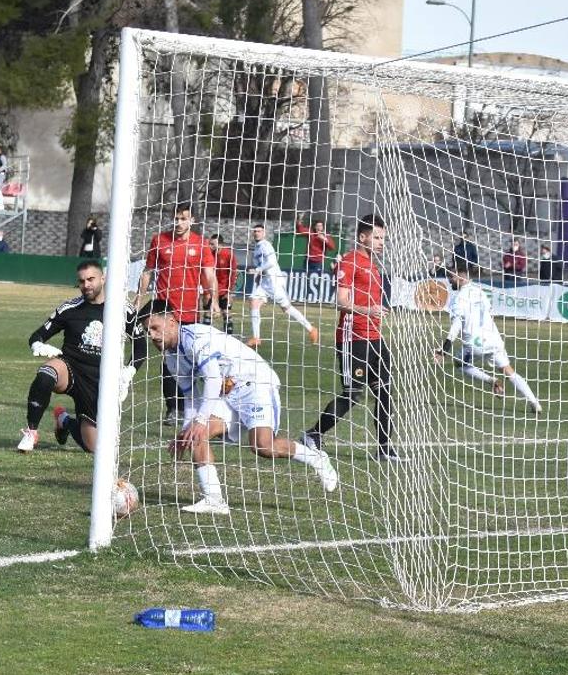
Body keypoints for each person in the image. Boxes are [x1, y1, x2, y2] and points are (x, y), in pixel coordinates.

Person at [140, 299, 338, 515]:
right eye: (147, 331)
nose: (151, 335)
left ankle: (315, 457)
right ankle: (214, 499)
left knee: (263, 446)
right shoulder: (171, 358)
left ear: (171, 321)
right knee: (196, 434)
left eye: (154, 328)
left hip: (255, 381)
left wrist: (198, 420)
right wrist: (187, 429)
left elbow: (213, 379)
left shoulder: (194, 338)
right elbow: (191, 398)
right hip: (229, 392)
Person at [19, 260, 148, 454]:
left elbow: (140, 347)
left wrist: (128, 373)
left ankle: (65, 421)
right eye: (81, 281)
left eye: (91, 279)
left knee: (95, 448)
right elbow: (37, 335)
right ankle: (31, 433)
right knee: (46, 373)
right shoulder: (70, 308)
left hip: (99, 381)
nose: (86, 285)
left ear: (102, 279)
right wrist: (38, 344)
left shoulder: (123, 309)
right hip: (70, 369)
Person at [302, 215, 397, 461]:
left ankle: (385, 449)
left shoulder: (375, 266)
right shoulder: (350, 261)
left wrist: (377, 312)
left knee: (385, 391)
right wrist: (369, 311)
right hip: (352, 338)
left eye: (382, 238)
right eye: (376, 237)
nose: (380, 242)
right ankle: (313, 434)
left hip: (375, 337)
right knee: (353, 395)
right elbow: (341, 301)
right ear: (362, 237)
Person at [136, 202, 220, 420]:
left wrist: (215, 301)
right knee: (169, 360)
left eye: (184, 218)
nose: (179, 222)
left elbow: (210, 275)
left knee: (194, 359)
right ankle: (174, 408)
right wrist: (138, 298)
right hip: (165, 311)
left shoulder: (201, 244)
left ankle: (200, 407)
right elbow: (147, 272)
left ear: (192, 220)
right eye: (176, 218)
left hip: (191, 313)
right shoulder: (159, 240)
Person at [436, 259, 542, 414]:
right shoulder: (480, 291)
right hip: (494, 339)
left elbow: (456, 327)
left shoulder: (457, 300)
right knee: (509, 371)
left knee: (459, 363)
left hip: (475, 343)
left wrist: (444, 350)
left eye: (451, 277)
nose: (449, 280)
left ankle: (491, 380)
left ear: (460, 277)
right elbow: (489, 312)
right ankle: (534, 402)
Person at [244, 223, 319, 348]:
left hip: (274, 282)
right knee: (253, 301)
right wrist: (257, 274)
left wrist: (257, 269)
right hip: (265, 282)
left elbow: (272, 262)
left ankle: (311, 329)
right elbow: (261, 267)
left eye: (259, 231)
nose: (256, 233)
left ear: (264, 233)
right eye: (255, 231)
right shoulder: (256, 248)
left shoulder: (266, 246)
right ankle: (256, 338)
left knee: (287, 308)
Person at [209, 233, 237, 334]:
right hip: (212, 289)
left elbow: (233, 274)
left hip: (224, 290)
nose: (210, 246)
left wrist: (229, 291)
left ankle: (228, 336)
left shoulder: (229, 254)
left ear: (220, 244)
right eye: (210, 244)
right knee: (208, 313)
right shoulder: (209, 255)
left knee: (226, 313)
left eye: (213, 244)